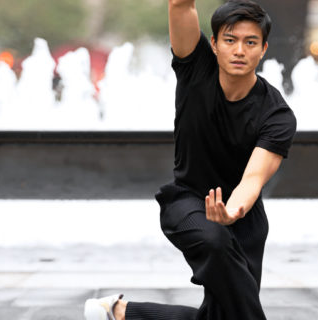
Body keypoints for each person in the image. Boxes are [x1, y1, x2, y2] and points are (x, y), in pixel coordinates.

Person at [84, 0, 296, 319]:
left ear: (263, 49)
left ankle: (118, 312)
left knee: (224, 316)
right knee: (215, 243)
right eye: (230, 40)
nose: (239, 50)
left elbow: (254, 177)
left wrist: (233, 210)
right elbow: (180, 5)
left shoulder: (276, 114)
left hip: (245, 219)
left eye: (250, 42)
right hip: (187, 202)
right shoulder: (196, 67)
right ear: (214, 44)